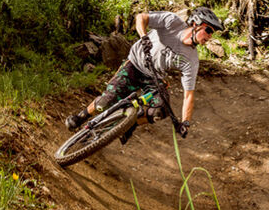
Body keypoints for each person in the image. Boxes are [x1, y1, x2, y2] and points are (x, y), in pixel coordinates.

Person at [65, 7, 224, 137]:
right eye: (208, 30)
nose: (210, 36)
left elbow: (188, 95)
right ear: (195, 23)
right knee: (104, 103)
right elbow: (141, 17)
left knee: (161, 110)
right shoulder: (172, 21)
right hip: (134, 64)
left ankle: (128, 124)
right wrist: (144, 38)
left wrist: (186, 123)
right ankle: (82, 116)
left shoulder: (191, 60)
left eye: (212, 33)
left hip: (153, 78)